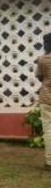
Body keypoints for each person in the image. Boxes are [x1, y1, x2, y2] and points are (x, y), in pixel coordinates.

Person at [36, 33, 51, 171]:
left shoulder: (42, 59)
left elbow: (40, 77)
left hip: (46, 98)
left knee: (48, 131)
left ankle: (49, 162)